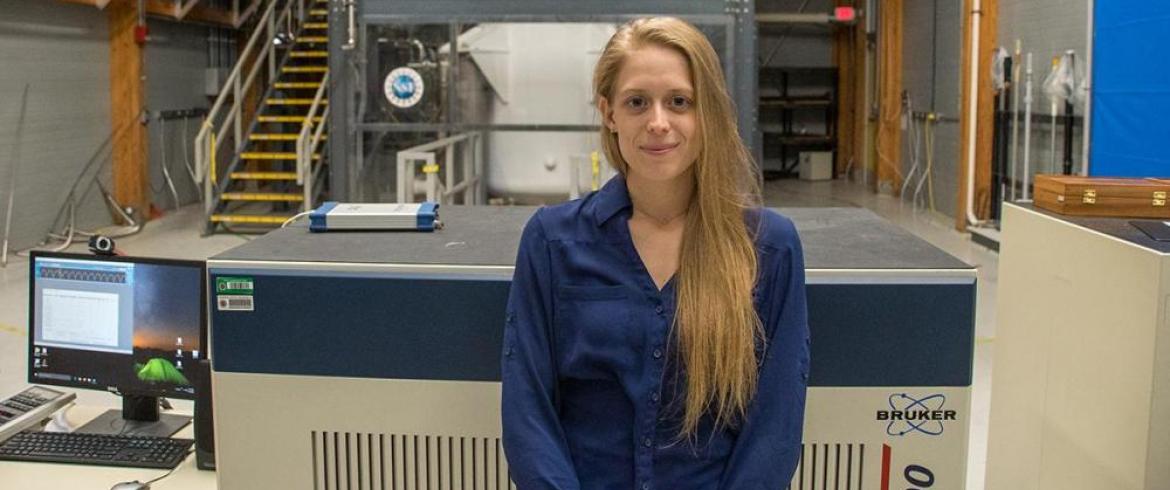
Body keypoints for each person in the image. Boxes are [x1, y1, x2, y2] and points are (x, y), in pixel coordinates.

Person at [501, 17, 808, 490]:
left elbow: (775, 426)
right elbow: (528, 410)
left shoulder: (767, 248)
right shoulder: (552, 242)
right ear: (609, 113)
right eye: (637, 102)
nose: (658, 122)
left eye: (679, 102)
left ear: (706, 113)